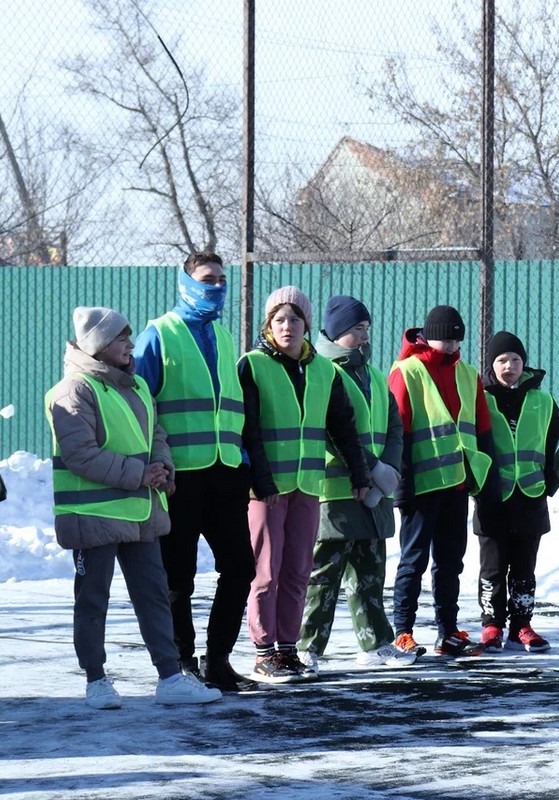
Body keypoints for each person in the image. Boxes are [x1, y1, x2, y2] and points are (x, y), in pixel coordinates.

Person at [46, 306, 222, 709]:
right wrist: (140, 473)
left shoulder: (138, 386)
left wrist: (164, 469)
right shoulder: (73, 391)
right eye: (122, 338)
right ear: (100, 345)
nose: (130, 344)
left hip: (140, 511)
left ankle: (170, 677)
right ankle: (96, 680)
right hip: (94, 516)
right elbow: (80, 455)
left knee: (154, 595)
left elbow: (156, 433)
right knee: (93, 599)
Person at [134, 252, 257, 693]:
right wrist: (154, 463)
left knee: (241, 567)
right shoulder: (158, 335)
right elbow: (138, 406)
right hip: (179, 477)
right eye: (208, 279)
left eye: (223, 279)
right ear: (185, 282)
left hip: (225, 472)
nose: (217, 287)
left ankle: (218, 659)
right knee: (176, 577)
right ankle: (182, 663)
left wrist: (244, 461)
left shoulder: (225, 337)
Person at [239, 287, 373, 683]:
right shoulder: (252, 365)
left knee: (298, 569)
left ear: (307, 325)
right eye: (279, 319)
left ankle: (287, 648)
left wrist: (359, 472)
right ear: (268, 324)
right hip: (267, 488)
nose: (287, 326)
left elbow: (343, 427)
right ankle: (264, 651)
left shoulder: (323, 371)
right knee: (267, 570)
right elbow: (247, 430)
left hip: (307, 485)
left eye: (295, 319)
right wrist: (259, 479)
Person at [296, 296, 410, 672]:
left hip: (374, 491)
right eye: (354, 329)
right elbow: (332, 428)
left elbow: (394, 425)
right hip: (337, 492)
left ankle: (376, 642)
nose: (363, 336)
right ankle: (307, 646)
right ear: (335, 331)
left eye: (365, 329)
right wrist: (371, 467)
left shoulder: (375, 376)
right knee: (323, 576)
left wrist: (388, 469)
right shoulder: (323, 370)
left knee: (370, 572)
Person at [387, 305, 499, 659]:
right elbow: (398, 429)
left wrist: (486, 478)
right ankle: (402, 630)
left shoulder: (468, 374)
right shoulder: (408, 371)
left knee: (451, 561)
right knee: (413, 559)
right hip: (421, 485)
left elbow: (481, 428)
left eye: (456, 338)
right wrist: (402, 484)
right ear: (427, 334)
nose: (450, 345)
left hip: (456, 484)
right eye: (444, 337)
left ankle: (447, 631)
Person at [473, 331, 559, 653]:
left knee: (525, 567)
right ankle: (492, 625)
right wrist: (478, 485)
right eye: (501, 360)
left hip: (530, 495)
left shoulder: (542, 400)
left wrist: (550, 483)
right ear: (491, 365)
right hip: (492, 497)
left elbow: (557, 444)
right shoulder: (479, 398)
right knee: (493, 568)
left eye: (515, 359)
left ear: (524, 363)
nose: (509, 366)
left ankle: (522, 626)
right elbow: (471, 443)